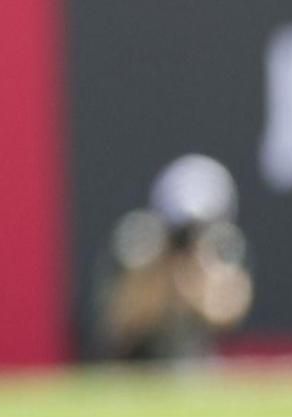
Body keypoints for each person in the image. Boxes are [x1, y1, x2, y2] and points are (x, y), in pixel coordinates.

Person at [91, 153, 254, 362]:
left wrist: (193, 284)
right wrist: (157, 282)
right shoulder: (138, 250)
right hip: (137, 364)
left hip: (195, 366)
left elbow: (228, 314)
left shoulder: (219, 253)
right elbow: (118, 326)